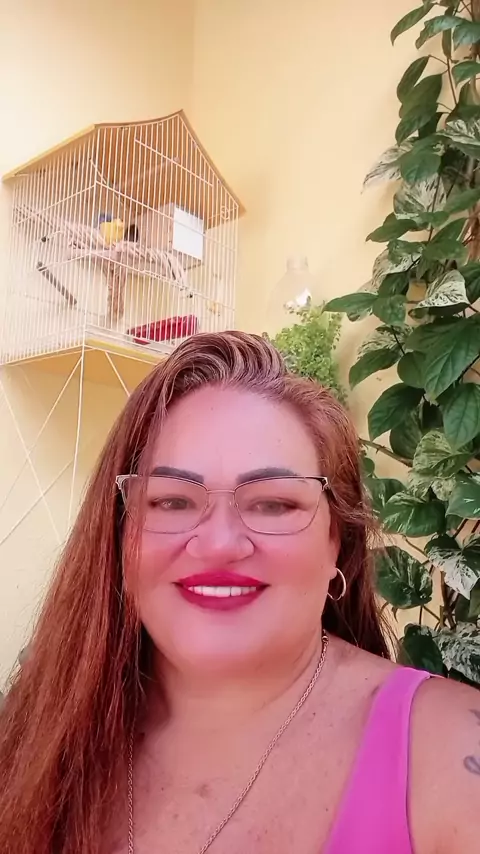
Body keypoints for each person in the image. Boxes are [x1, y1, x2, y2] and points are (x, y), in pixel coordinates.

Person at [0, 330, 478, 854]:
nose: (218, 544)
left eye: (273, 504)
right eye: (172, 501)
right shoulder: (32, 737)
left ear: (336, 543)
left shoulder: (453, 763)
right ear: (118, 536)